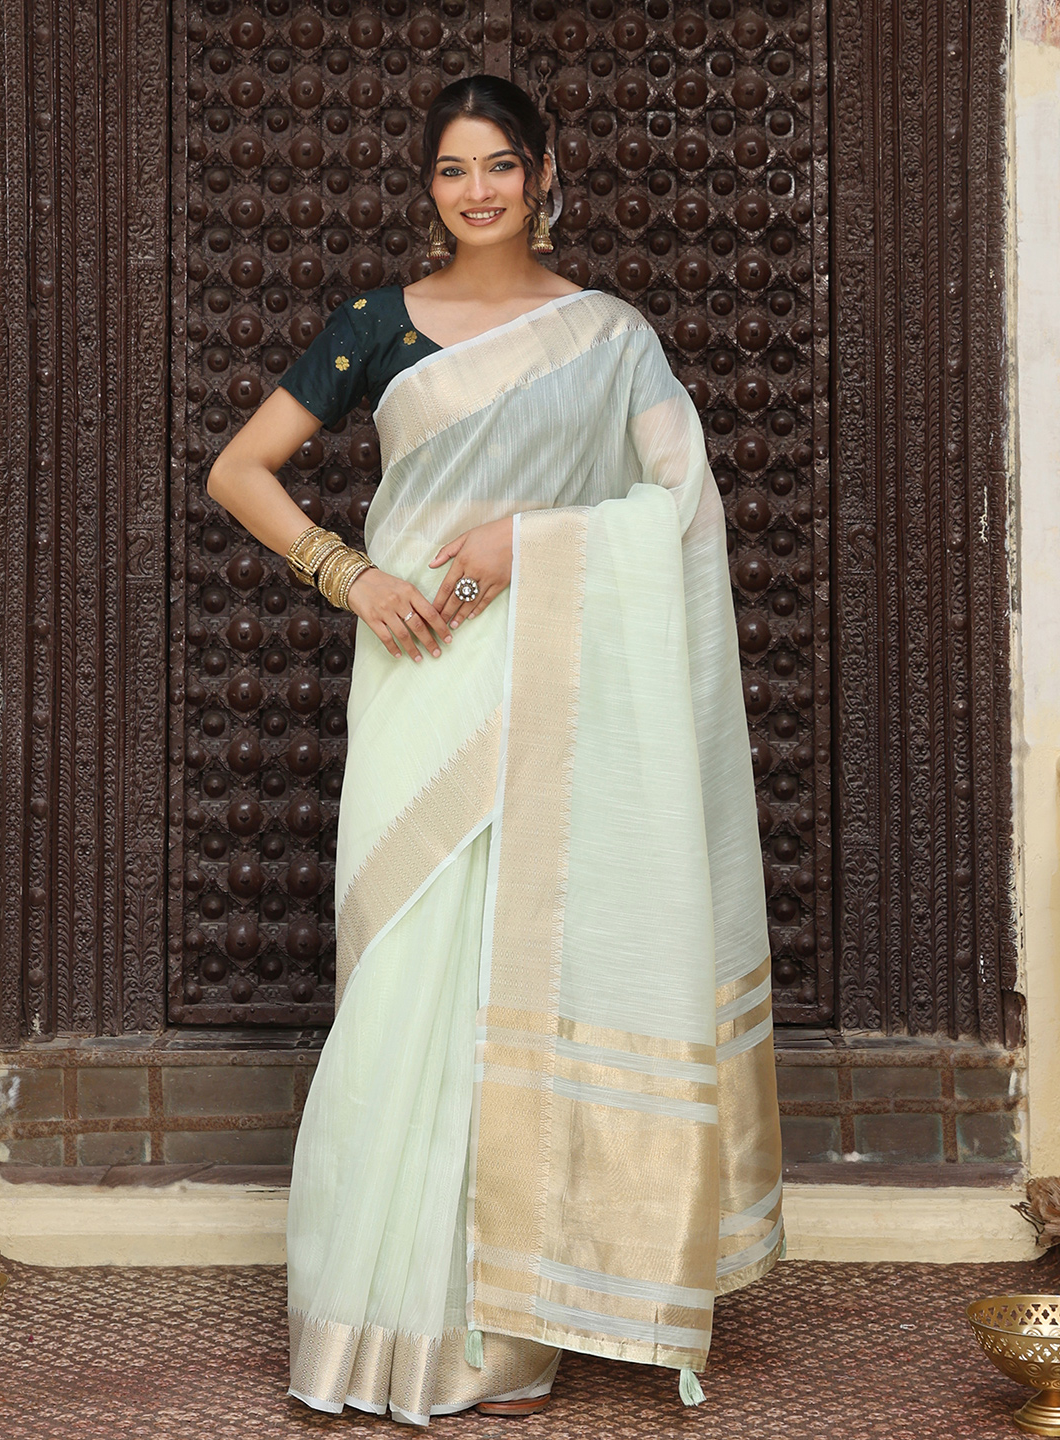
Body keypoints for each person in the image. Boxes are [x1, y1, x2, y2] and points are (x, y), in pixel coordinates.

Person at [207, 73, 783, 1429]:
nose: (479, 191)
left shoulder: (612, 337)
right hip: (422, 678)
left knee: (521, 968)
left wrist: (525, 542)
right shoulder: (376, 327)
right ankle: (384, 1317)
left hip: (562, 688)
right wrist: (350, 574)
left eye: (501, 165)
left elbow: (681, 508)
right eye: (454, 169)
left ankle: (508, 1324)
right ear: (429, 186)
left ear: (542, 172)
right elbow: (240, 470)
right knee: (408, 979)